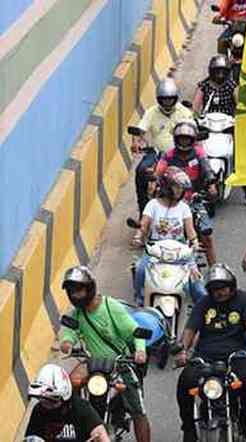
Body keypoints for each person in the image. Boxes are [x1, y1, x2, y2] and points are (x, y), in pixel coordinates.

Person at [58, 266, 151, 442]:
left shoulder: (110, 307)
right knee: (70, 384)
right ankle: (75, 424)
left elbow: (135, 331)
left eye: (79, 290)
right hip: (94, 364)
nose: (76, 295)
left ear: (90, 287)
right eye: (72, 291)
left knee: (137, 410)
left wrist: (140, 351)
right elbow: (69, 331)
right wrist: (66, 343)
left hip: (121, 364)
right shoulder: (77, 314)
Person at [175, 264, 246, 442]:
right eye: (215, 289)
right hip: (205, 356)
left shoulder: (244, 299)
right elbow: (190, 329)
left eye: (223, 287)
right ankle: (188, 428)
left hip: (236, 355)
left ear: (231, 286)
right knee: (185, 382)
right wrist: (183, 351)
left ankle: (245, 421)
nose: (219, 292)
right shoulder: (203, 303)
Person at [131, 167, 207, 306]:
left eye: (181, 188)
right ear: (166, 186)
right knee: (140, 269)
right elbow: (144, 225)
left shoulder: (184, 208)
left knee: (196, 281)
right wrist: (138, 237)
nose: (179, 191)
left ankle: (202, 308)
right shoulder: (152, 205)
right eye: (176, 187)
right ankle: (141, 301)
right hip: (155, 250)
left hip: (180, 251)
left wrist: (195, 243)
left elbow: (190, 232)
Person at [192, 55, 246, 208]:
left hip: (228, 125)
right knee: (196, 152)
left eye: (223, 72)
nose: (220, 75)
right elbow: (195, 106)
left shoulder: (232, 85)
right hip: (208, 125)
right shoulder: (204, 85)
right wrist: (193, 118)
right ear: (211, 72)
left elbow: (240, 103)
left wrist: (244, 117)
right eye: (217, 72)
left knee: (241, 155)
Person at [129, 78, 194, 221]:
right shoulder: (151, 112)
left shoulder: (184, 112)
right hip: (156, 153)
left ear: (175, 98)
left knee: (197, 170)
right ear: (159, 99)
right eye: (164, 100)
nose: (167, 103)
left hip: (180, 152)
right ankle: (143, 213)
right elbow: (140, 130)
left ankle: (197, 209)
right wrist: (135, 142)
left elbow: (192, 129)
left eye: (170, 99)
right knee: (141, 172)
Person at [154, 121, 219, 265]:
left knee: (206, 235)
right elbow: (158, 171)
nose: (184, 142)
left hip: (194, 199)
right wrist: (154, 181)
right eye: (181, 138)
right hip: (172, 200)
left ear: (192, 140)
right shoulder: (169, 155)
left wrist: (211, 185)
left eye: (187, 138)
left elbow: (207, 169)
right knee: (160, 232)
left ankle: (214, 269)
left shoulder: (198, 153)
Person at [25, 364, 110, 442]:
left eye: (52, 400)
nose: (46, 404)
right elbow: (32, 437)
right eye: (43, 399)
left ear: (64, 396)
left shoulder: (80, 408)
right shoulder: (39, 411)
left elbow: (99, 433)